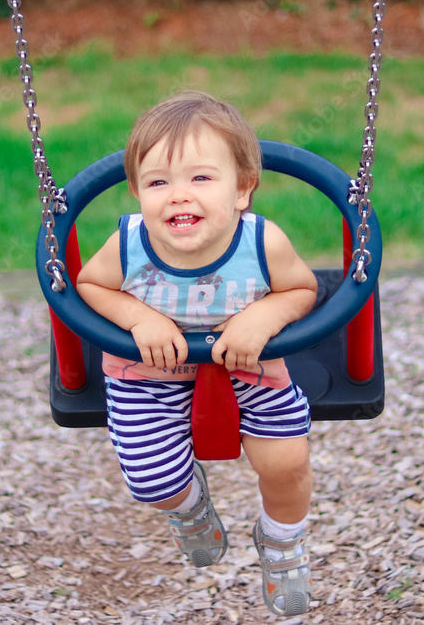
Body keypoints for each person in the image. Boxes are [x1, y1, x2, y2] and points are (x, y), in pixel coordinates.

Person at [76, 90, 319, 617]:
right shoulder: (128, 245)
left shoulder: (263, 242)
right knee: (153, 481)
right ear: (138, 192)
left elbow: (301, 290)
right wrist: (141, 317)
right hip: (148, 373)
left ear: (242, 190)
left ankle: (281, 543)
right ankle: (188, 509)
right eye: (158, 182)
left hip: (247, 368)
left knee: (288, 462)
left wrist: (263, 316)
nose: (178, 196)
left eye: (201, 178)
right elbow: (91, 285)